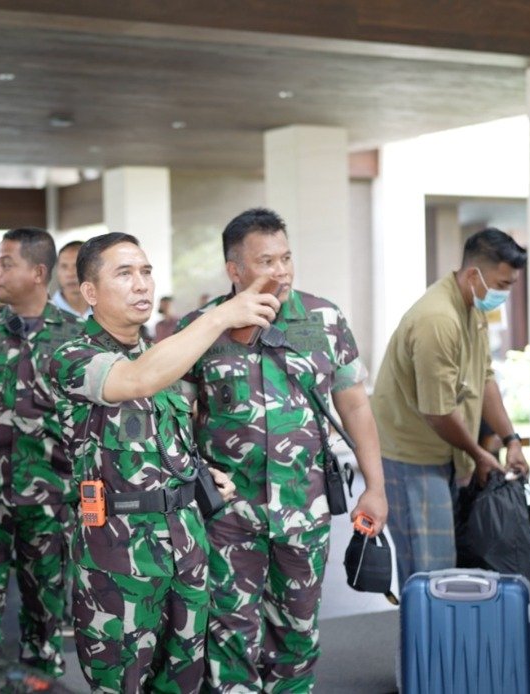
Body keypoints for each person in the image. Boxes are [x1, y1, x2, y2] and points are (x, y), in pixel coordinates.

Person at [49, 232, 280, 693]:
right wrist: (221, 316)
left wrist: (197, 474)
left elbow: (164, 441)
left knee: (183, 684)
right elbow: (135, 380)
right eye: (124, 274)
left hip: (185, 551)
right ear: (90, 292)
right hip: (119, 559)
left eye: (146, 271)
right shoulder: (73, 357)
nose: (141, 285)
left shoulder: (162, 358)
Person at [178, 207, 387, 692]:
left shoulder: (324, 319)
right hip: (228, 518)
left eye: (287, 258)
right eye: (267, 261)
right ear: (235, 271)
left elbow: (356, 407)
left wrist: (375, 487)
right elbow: (179, 422)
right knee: (230, 640)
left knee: (298, 637)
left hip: (304, 511)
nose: (282, 271)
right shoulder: (202, 328)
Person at [370, 228, 530, 588]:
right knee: (430, 572)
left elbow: (484, 378)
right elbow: (437, 412)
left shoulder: (471, 307)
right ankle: (422, 646)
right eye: (502, 284)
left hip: (445, 452)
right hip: (412, 457)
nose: (505, 294)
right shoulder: (438, 320)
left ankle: (437, 644)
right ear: (474, 275)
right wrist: (478, 454)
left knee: (443, 567)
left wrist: (511, 439)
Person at [0, 228, 81, 676]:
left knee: (45, 619)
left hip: (51, 499)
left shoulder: (77, 338)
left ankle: (42, 680)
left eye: (6, 262)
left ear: (38, 272)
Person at [51, 240, 91, 318]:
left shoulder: (108, 311)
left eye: (77, 266)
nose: (70, 273)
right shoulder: (42, 315)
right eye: (64, 266)